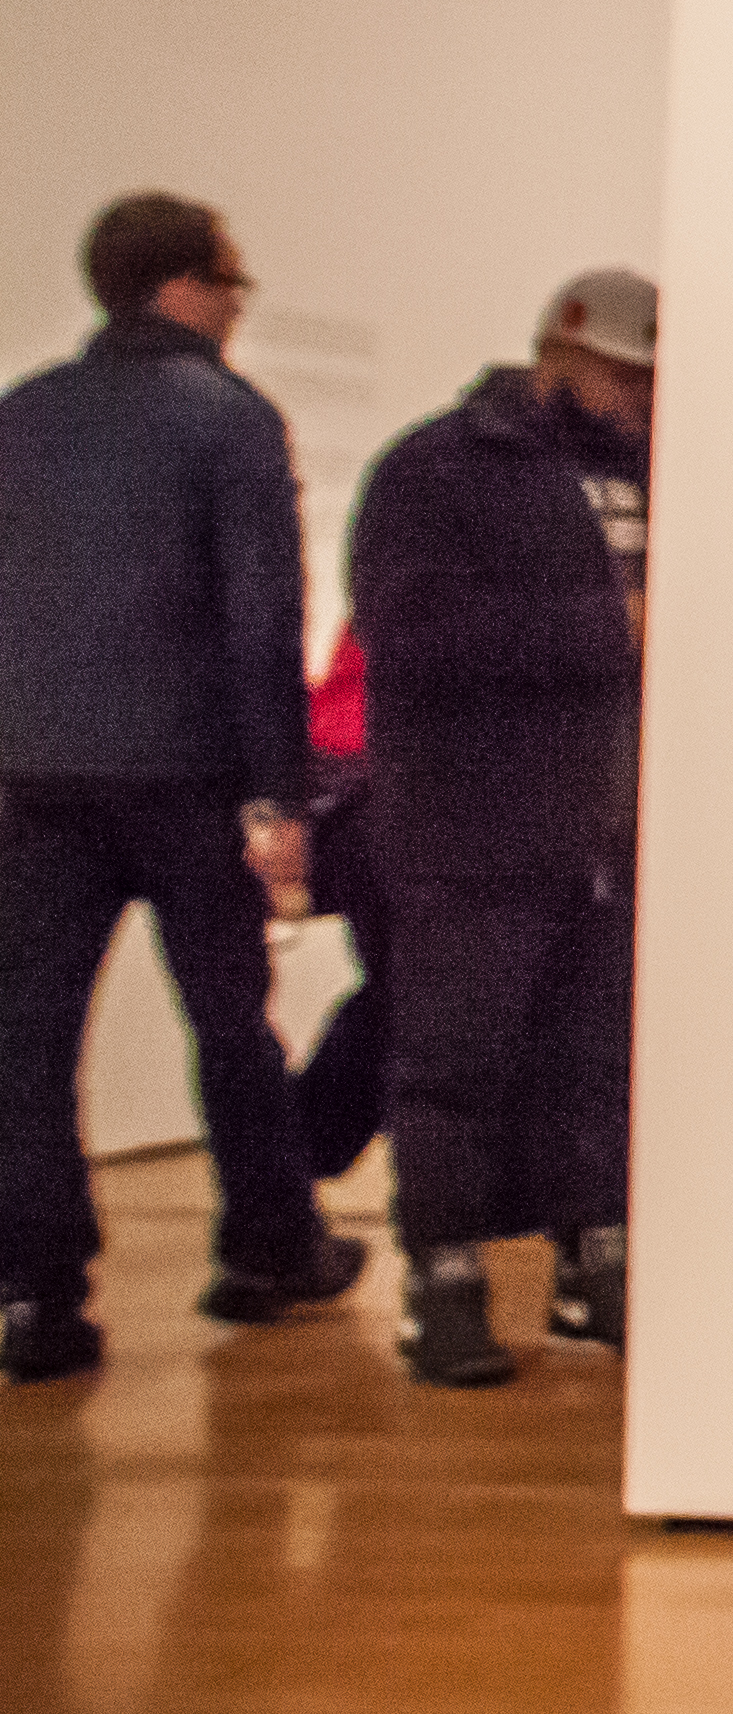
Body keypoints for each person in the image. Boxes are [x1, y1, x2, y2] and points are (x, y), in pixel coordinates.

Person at [0, 195, 364, 1379]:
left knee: (30, 1039)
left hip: (37, 773)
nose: (237, 308)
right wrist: (281, 799)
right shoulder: (230, 422)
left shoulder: (26, 416)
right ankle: (268, 1248)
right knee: (229, 1024)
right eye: (232, 283)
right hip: (186, 775)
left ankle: (34, 1294)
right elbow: (261, 623)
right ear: (182, 290)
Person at [352, 268, 657, 1389]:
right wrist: (609, 626)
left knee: (594, 1063)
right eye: (625, 377)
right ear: (560, 357)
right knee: (454, 1065)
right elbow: (412, 631)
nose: (640, 400)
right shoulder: (437, 470)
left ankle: (597, 1264)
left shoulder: (655, 470)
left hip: (608, 828)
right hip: (470, 828)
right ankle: (443, 1280)